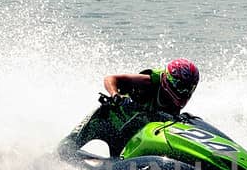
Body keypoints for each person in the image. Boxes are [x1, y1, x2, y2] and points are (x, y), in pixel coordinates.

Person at [64, 58, 201, 158]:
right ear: (167, 81)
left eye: (190, 88)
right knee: (67, 149)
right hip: (107, 120)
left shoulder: (174, 102)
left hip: (132, 132)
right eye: (181, 88)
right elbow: (110, 79)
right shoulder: (149, 81)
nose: (185, 93)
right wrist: (115, 95)